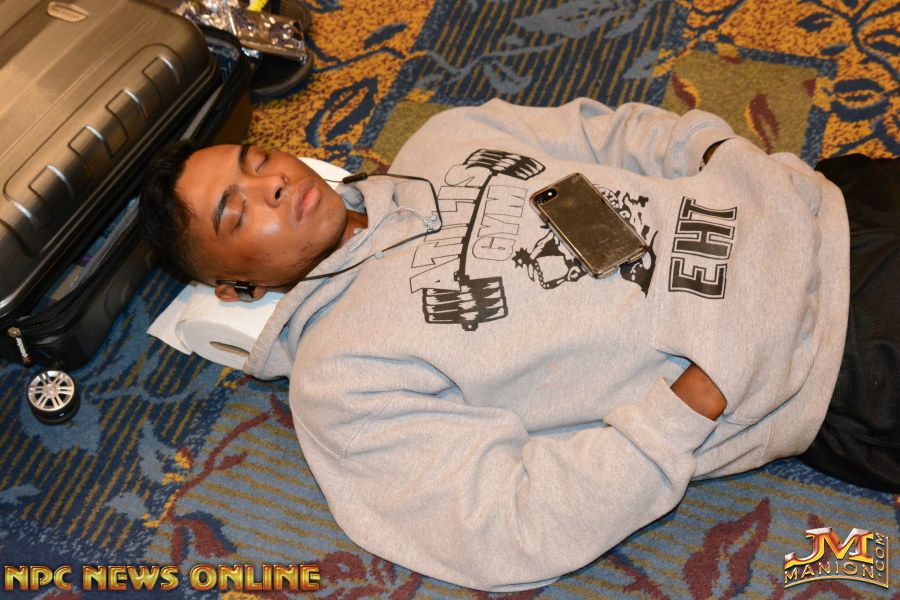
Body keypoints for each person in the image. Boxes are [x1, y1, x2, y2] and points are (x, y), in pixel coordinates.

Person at [139, 99, 896, 591]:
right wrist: (695, 401)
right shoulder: (343, 378)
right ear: (237, 288)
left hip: (823, 200)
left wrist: (711, 149)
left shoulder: (445, 139)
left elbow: (610, 131)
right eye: (237, 213)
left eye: (257, 161)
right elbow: (507, 525)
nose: (271, 185)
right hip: (831, 359)